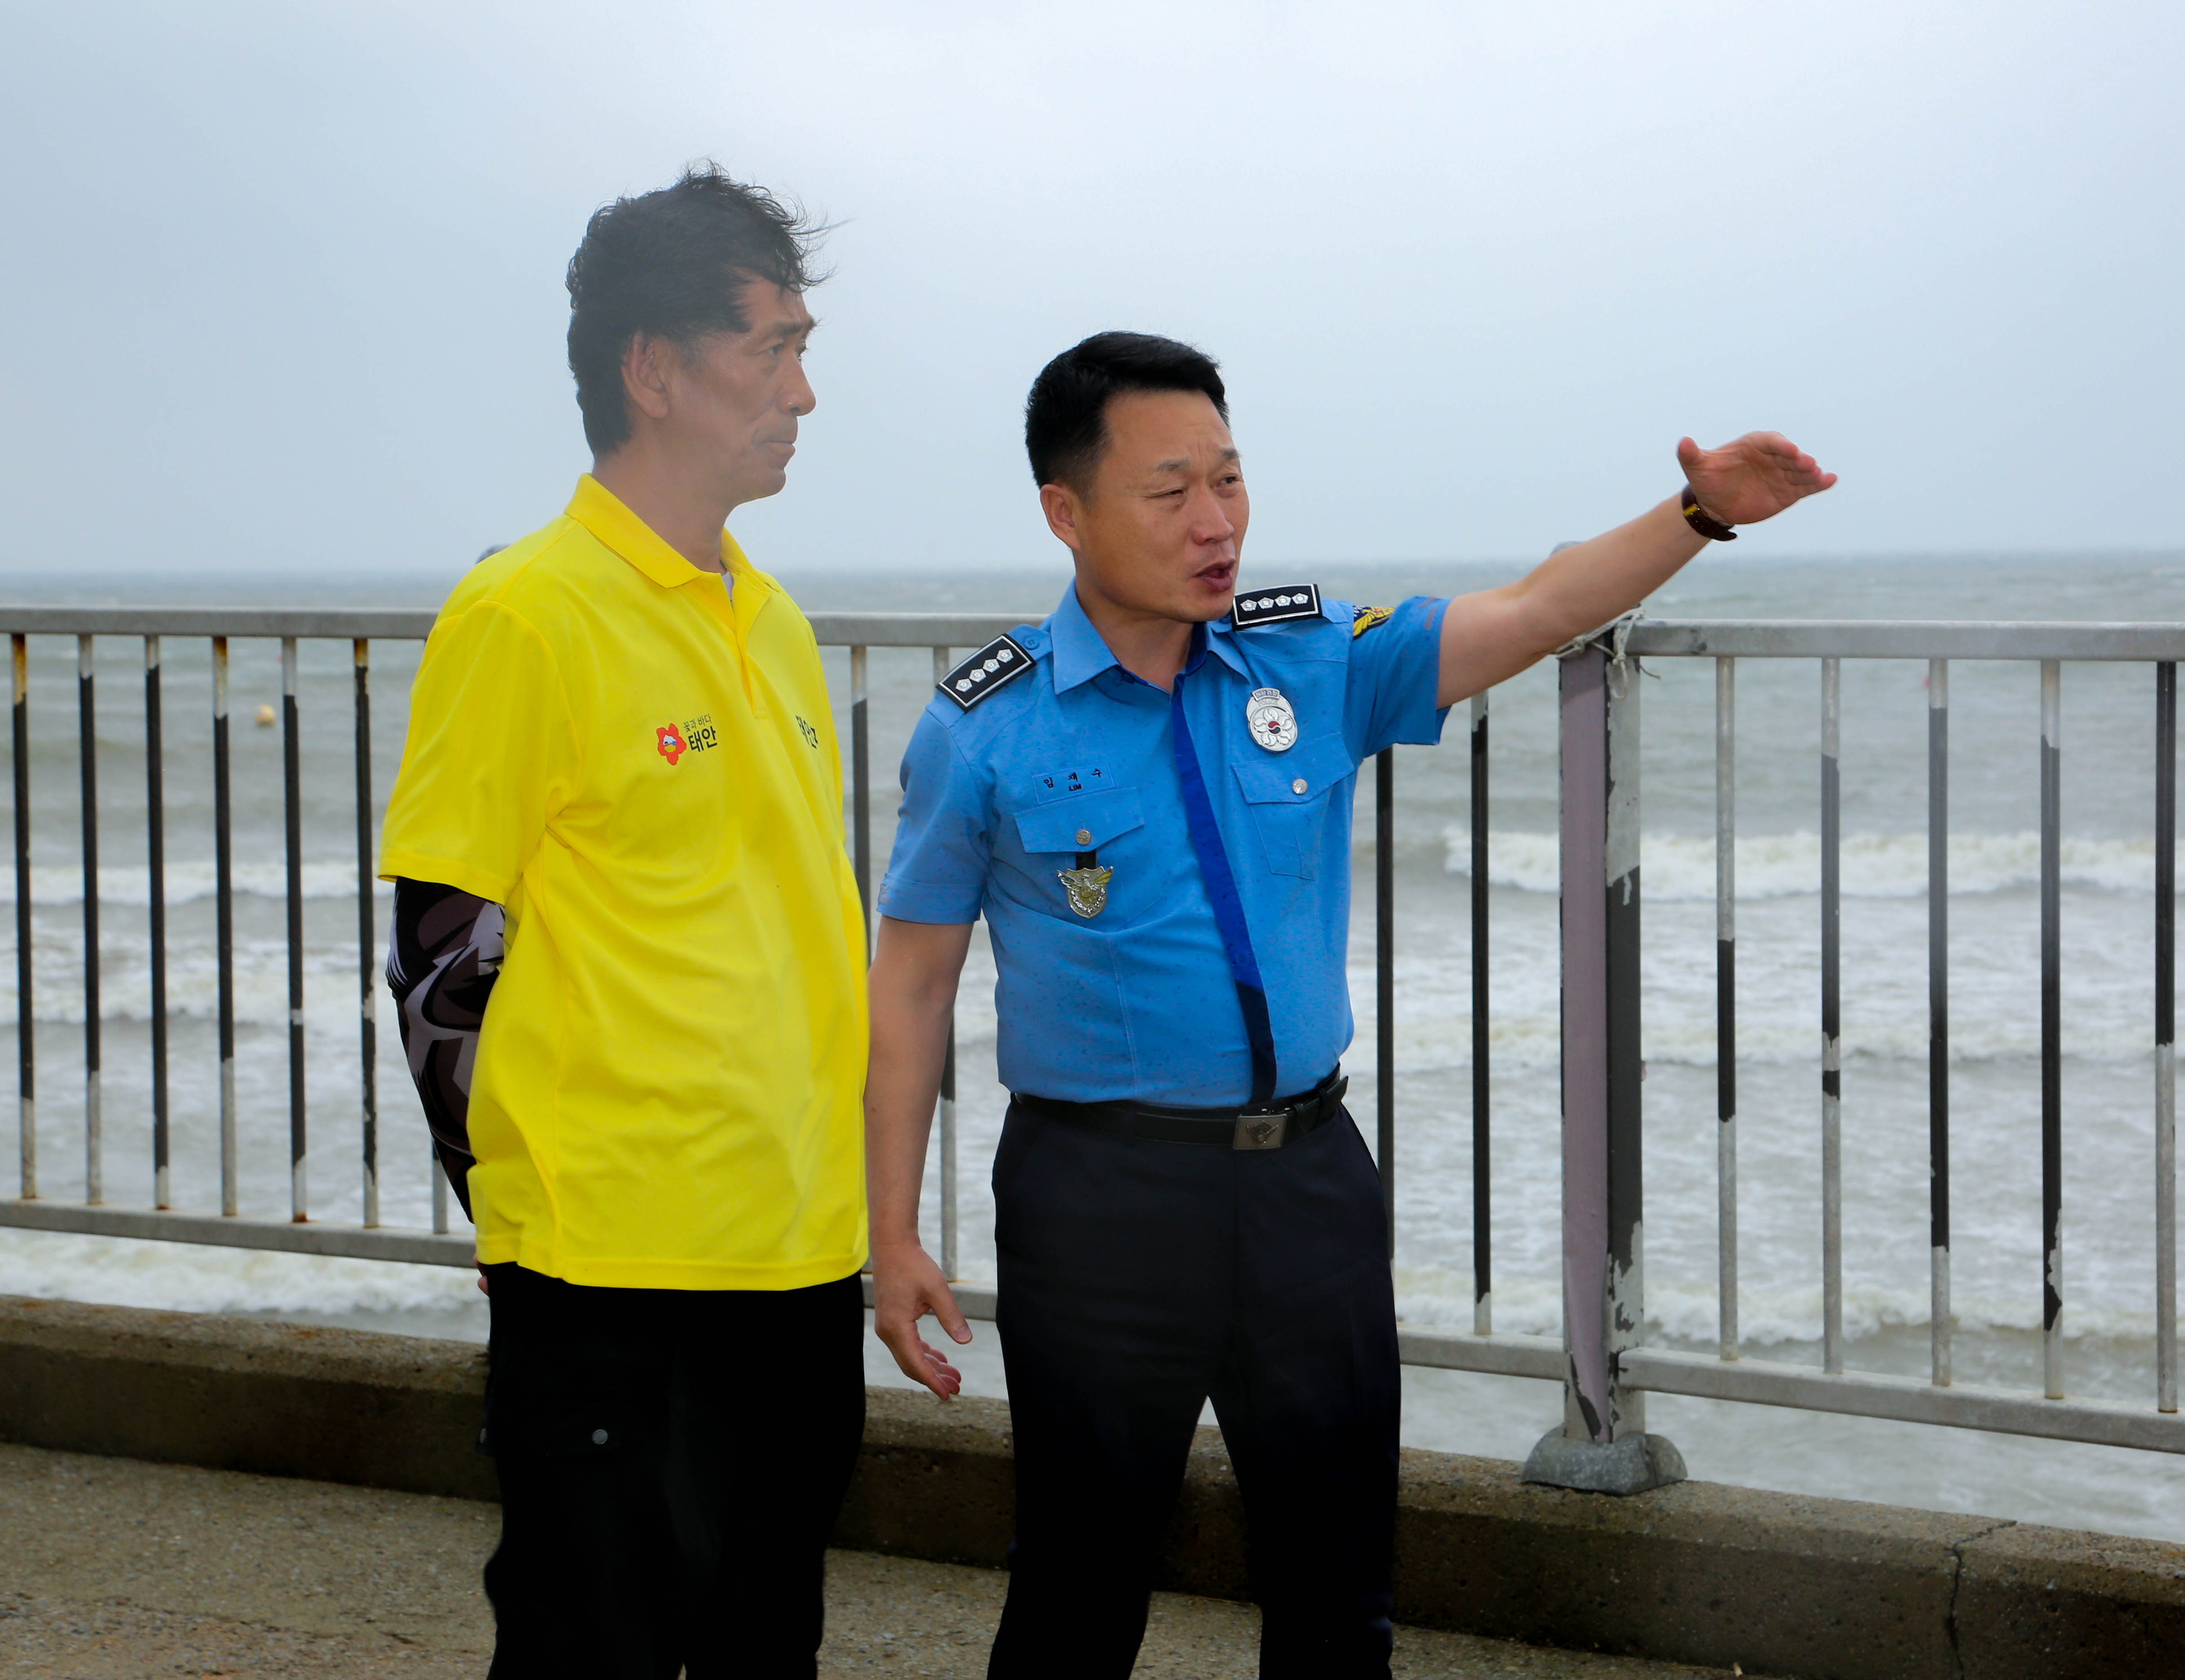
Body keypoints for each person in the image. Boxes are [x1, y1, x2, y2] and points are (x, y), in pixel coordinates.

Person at [866, 330, 1834, 1676]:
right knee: (1080, 1589)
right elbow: (911, 986)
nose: (1216, 525)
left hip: (1305, 1187)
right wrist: (893, 1229)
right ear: (1065, 511)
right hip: (1095, 1201)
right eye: (1169, 492)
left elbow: (1538, 607)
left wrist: (1697, 515)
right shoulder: (986, 725)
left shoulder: (1307, 664)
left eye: (1230, 479)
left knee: (1338, 1596)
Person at [381, 165, 868, 1677]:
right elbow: (441, 958)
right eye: (770, 347)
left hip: (797, 1259)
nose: (804, 388)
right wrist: (522, 1224)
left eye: (804, 346)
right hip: (612, 1282)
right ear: (650, 369)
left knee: (761, 1650)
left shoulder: (770, 615)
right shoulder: (526, 612)